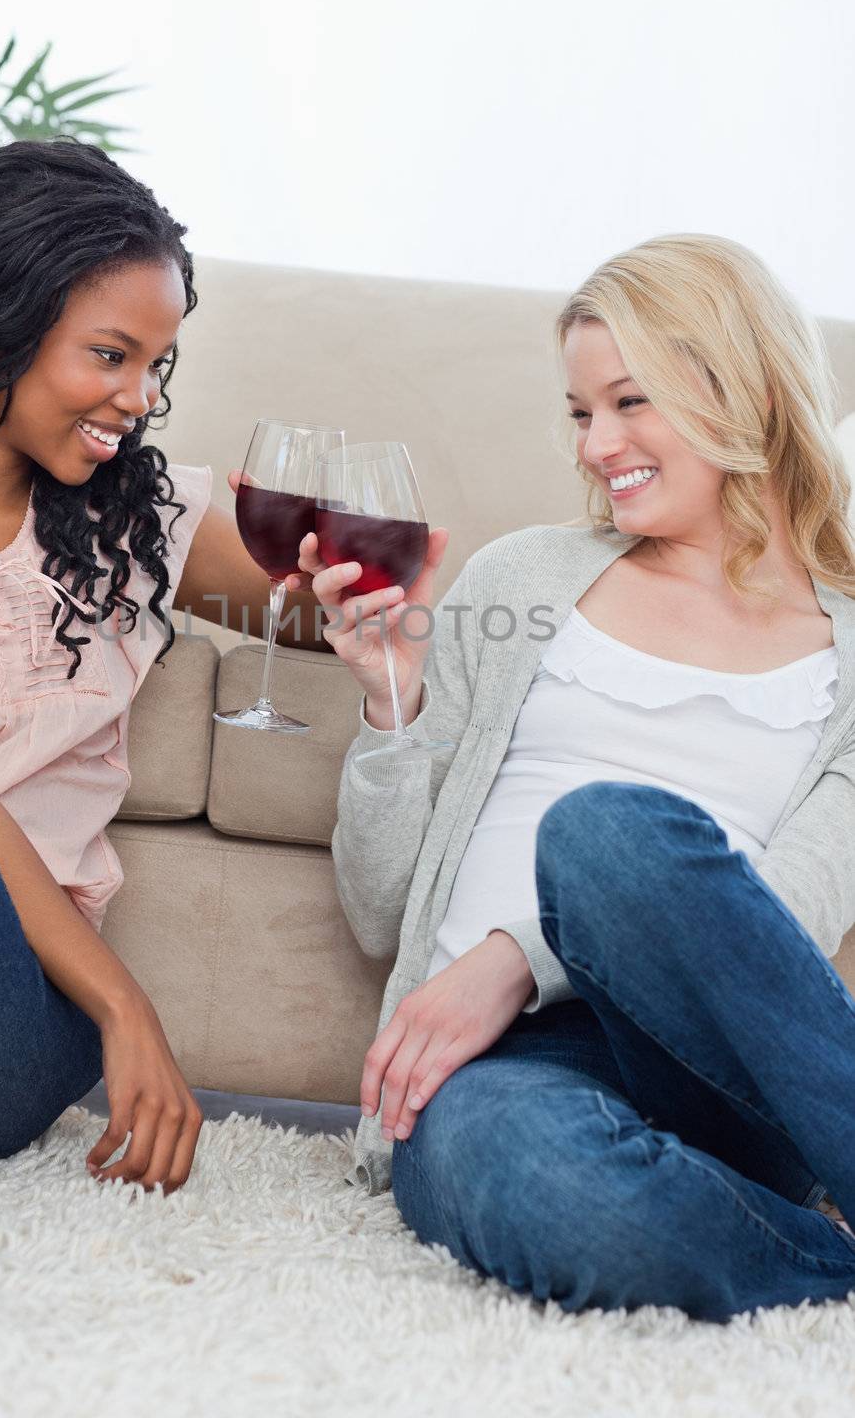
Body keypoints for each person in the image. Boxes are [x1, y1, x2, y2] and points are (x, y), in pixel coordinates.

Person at [0, 139, 328, 1305]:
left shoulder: (148, 522)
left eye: (156, 364)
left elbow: (342, 593)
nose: (137, 398)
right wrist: (129, 1000)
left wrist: (372, 599)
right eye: (109, 354)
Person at [299, 233, 855, 1322]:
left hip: (716, 1058)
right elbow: (376, 914)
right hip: (496, 1072)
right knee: (572, 1202)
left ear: (736, 390)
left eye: (628, 401)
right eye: (577, 411)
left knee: (606, 833)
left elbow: (787, 919)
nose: (596, 445)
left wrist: (518, 954)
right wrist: (388, 703)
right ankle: (800, 1261)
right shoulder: (521, 577)